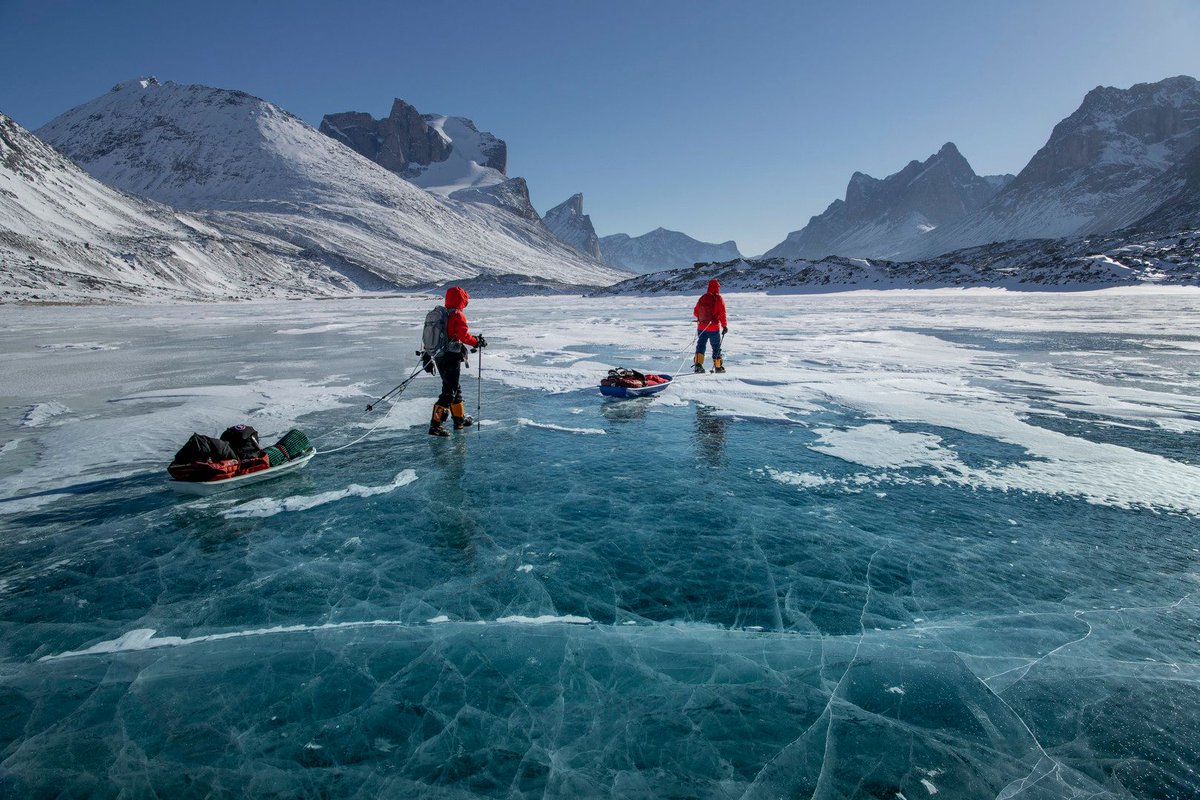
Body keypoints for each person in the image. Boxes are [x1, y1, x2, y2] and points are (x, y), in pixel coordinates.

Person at [429, 286, 487, 437]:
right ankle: (436, 425)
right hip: (451, 356)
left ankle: (459, 419)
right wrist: (476, 342)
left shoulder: (443, 314)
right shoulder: (457, 315)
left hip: (440, 356)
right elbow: (463, 336)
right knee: (450, 391)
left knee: (454, 387)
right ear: (462, 300)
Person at [693, 279, 728, 373]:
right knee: (716, 347)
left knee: (701, 345)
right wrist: (724, 326)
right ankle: (718, 367)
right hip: (713, 328)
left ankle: (698, 366)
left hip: (702, 327)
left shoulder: (703, 297)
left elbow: (696, 312)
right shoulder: (718, 298)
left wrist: (703, 319)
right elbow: (722, 313)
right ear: (718, 287)